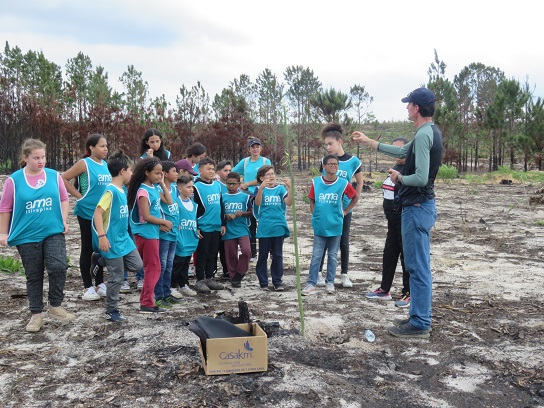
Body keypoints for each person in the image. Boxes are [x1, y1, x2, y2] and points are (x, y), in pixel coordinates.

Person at [352, 87, 443, 338]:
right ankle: (417, 318)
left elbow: (422, 178)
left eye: (408, 104)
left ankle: (421, 322)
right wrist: (370, 142)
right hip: (417, 207)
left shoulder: (425, 134)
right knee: (416, 266)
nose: (406, 108)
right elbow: (404, 152)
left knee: (418, 267)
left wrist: (400, 177)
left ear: (416, 108)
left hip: (417, 207)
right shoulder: (427, 132)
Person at [0, 139, 75, 332]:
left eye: (43, 157)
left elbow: (64, 198)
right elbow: (5, 208)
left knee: (58, 266)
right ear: (25, 158)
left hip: (53, 230)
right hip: (26, 235)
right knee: (34, 275)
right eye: (36, 158)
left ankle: (55, 305)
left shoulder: (53, 176)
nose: (41, 161)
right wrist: (3, 232)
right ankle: (36, 315)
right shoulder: (14, 180)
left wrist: (64, 220)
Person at [91, 151, 143, 322]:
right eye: (130, 171)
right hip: (111, 240)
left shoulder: (122, 190)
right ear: (122, 171)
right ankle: (111, 309)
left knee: (137, 265)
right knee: (117, 277)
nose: (131, 174)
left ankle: (101, 260)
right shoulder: (110, 192)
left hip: (124, 239)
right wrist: (102, 236)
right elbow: (98, 213)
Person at [62, 134, 111, 301]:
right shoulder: (84, 163)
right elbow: (64, 178)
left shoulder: (104, 164)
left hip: (102, 213)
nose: (105, 149)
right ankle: (87, 287)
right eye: (102, 146)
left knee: (100, 248)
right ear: (91, 147)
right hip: (87, 212)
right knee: (88, 248)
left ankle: (99, 284)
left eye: (106, 146)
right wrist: (79, 196)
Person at [302, 155, 358, 296]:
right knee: (316, 255)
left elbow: (355, 197)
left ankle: (330, 282)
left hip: (336, 224)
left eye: (336, 164)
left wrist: (345, 211)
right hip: (320, 224)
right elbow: (312, 200)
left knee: (333, 255)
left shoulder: (343, 183)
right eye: (330, 164)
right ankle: (311, 283)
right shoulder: (316, 182)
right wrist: (315, 214)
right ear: (324, 166)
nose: (333, 166)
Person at [316, 123, 363, 289]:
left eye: (331, 144)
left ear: (340, 141)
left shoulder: (353, 161)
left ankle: (344, 274)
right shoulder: (325, 161)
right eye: (326, 144)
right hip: (325, 209)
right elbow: (321, 184)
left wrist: (348, 208)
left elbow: (359, 182)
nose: (328, 147)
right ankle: (319, 274)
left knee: (343, 240)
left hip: (342, 210)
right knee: (323, 239)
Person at [366, 137, 411, 307]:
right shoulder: (396, 167)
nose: (396, 152)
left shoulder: (408, 169)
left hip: (403, 219)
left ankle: (408, 293)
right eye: (394, 149)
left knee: (405, 257)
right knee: (389, 254)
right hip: (391, 222)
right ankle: (384, 289)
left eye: (399, 149)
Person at [127, 158, 173, 313]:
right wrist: (164, 222)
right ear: (146, 172)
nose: (160, 176)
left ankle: (146, 299)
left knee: (150, 266)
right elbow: (146, 216)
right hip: (146, 234)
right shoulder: (143, 191)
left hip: (152, 232)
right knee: (152, 267)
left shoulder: (153, 188)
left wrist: (161, 183)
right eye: (156, 173)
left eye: (161, 173)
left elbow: (169, 200)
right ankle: (147, 302)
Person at [253, 165, 291, 291]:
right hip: (265, 227)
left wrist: (290, 188)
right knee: (263, 255)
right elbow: (258, 203)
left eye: (273, 173)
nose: (271, 176)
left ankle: (277, 281)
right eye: (268, 174)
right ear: (261, 177)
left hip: (279, 226)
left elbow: (289, 202)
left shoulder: (280, 189)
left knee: (277, 255)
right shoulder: (259, 189)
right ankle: (263, 282)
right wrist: (261, 189)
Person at [233, 138, 272, 261]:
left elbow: (266, 178)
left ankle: (270, 251)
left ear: (261, 148)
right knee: (251, 224)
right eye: (252, 147)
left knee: (265, 222)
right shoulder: (245, 162)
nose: (255, 149)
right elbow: (233, 173)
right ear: (249, 149)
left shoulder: (265, 161)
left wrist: (247, 183)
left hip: (264, 194)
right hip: (248, 195)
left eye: (257, 146)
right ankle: (253, 253)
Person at [192, 157, 226, 293]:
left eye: (213, 169)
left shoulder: (217, 185)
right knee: (202, 254)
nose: (211, 171)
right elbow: (193, 208)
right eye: (208, 169)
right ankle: (200, 279)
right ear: (200, 170)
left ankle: (210, 278)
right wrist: (196, 226)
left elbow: (221, 204)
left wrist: (223, 223)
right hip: (203, 226)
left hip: (216, 226)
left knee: (213, 253)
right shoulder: (196, 187)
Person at [154, 161, 182, 309]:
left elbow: (175, 206)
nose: (177, 174)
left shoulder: (175, 188)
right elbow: (168, 202)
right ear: (165, 174)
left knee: (169, 265)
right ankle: (158, 295)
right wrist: (163, 184)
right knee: (162, 264)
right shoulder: (158, 189)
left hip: (174, 232)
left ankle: (166, 292)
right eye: (174, 171)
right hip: (164, 233)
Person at [221, 171, 252, 288]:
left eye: (234, 184)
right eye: (228, 184)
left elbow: (251, 213)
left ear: (239, 184)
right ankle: (234, 278)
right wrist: (225, 216)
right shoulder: (222, 197)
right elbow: (219, 213)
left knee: (246, 251)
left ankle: (240, 272)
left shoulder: (245, 197)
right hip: (228, 229)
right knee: (231, 255)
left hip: (242, 228)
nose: (231, 186)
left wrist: (242, 213)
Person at [170, 175, 199, 298]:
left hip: (190, 238)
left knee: (186, 263)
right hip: (180, 238)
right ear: (180, 188)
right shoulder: (176, 202)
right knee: (178, 263)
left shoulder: (194, 204)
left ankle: (183, 284)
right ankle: (172, 286)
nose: (191, 189)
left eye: (192, 186)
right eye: (188, 187)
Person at [215, 160, 233, 279]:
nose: (228, 173)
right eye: (225, 170)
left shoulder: (233, 185)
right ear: (218, 172)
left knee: (229, 248)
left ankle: (229, 271)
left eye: (230, 170)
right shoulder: (216, 185)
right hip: (220, 221)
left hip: (232, 222)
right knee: (219, 247)